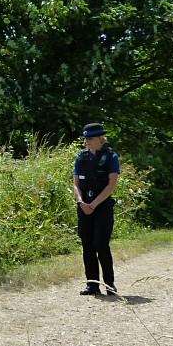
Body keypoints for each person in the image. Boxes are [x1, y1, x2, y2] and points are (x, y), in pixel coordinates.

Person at [72, 123, 120, 296]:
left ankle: (109, 284)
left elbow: (111, 185)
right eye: (85, 139)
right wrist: (81, 202)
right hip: (84, 206)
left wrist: (94, 204)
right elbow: (76, 184)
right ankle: (92, 285)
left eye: (90, 139)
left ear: (100, 139)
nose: (87, 142)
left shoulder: (111, 157)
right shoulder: (81, 157)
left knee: (101, 244)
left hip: (102, 207)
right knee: (87, 245)